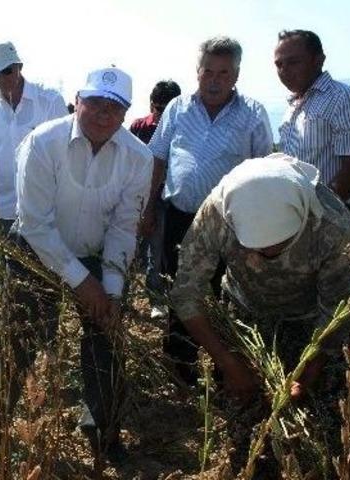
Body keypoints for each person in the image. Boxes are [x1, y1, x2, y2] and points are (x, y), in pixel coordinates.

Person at [0, 67, 153, 465]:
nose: (103, 114)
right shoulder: (42, 142)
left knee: (106, 340)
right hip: (36, 249)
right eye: (95, 103)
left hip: (96, 253)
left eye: (115, 107)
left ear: (126, 114)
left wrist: (108, 291)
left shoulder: (137, 158)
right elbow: (36, 224)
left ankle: (102, 432)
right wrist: (81, 283)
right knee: (20, 335)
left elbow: (124, 229)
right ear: (78, 100)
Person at [170, 154, 350, 470]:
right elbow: (186, 294)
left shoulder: (332, 225)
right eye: (255, 247)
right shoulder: (218, 212)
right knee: (245, 412)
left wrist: (307, 373)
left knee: (320, 420)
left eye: (281, 244)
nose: (267, 255)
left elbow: (337, 311)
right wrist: (228, 362)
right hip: (245, 312)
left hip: (312, 320)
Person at [147, 36, 273, 383]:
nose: (215, 79)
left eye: (224, 72)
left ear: (236, 75)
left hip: (230, 223)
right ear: (197, 71)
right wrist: (147, 210)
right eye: (208, 72)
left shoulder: (252, 113)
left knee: (226, 292)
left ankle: (225, 370)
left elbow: (264, 169)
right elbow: (158, 157)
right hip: (180, 217)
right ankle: (180, 364)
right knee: (180, 288)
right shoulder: (177, 108)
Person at [274, 29, 350, 223]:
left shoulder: (345, 99)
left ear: (318, 60)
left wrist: (320, 210)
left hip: (330, 217)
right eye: (279, 64)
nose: (284, 70)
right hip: (295, 216)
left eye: (293, 62)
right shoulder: (292, 106)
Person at [0, 41, 68, 234]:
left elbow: (66, 156)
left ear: (19, 67)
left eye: (7, 71)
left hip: (47, 210)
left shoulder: (49, 101)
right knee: (12, 263)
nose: (1, 78)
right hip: (7, 209)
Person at [128, 81, 181, 319]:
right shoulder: (139, 126)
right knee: (127, 247)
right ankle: (120, 296)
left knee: (157, 253)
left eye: (167, 109)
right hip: (135, 197)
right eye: (158, 108)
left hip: (165, 199)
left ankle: (156, 300)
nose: (161, 114)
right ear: (151, 104)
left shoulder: (182, 130)